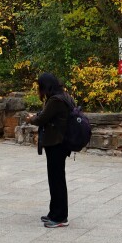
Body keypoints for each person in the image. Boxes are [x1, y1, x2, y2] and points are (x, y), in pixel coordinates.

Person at [25, 73, 73, 228]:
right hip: (60, 142)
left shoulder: (55, 100)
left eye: (40, 87)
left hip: (56, 143)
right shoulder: (64, 96)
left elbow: (41, 119)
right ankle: (54, 213)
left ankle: (60, 217)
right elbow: (49, 116)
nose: (39, 90)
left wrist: (31, 118)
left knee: (57, 180)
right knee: (55, 179)